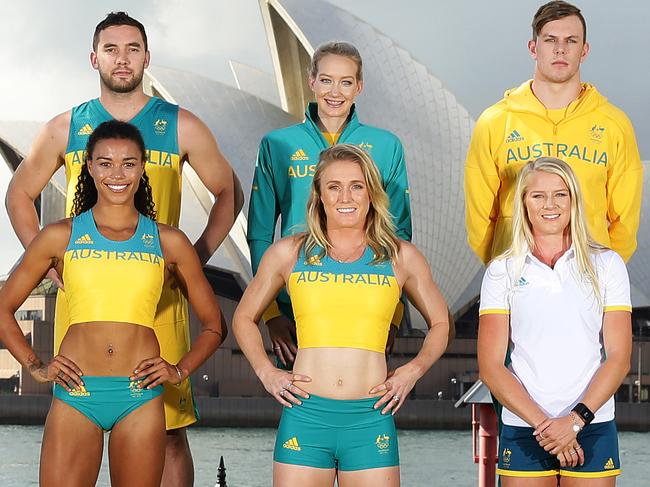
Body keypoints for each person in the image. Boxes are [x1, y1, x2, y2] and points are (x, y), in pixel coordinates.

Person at [5, 12, 242, 485]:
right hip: (87, 298)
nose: (122, 58)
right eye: (111, 49)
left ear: (147, 58)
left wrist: (191, 259)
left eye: (132, 48)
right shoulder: (65, 125)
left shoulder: (180, 124)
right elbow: (18, 195)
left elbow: (228, 191)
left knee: (170, 434)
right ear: (94, 58)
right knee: (75, 416)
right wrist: (50, 262)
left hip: (160, 297)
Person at [0, 121, 224, 487]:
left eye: (128, 163)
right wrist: (36, 366)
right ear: (89, 166)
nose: (117, 174)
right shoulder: (59, 236)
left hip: (140, 396)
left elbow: (215, 325)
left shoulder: (169, 242)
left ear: (142, 166)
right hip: (77, 393)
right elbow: (3, 308)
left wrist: (179, 371)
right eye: (105, 163)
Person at [235, 144, 449, 486]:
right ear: (319, 195)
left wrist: (412, 372)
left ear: (371, 193)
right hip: (305, 416)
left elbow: (440, 324)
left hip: (371, 418)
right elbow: (244, 318)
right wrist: (266, 372)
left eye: (357, 186)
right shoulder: (288, 254)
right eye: (334, 187)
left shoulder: (400, 257)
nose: (345, 196)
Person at [247, 41, 412, 368]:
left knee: (364, 398)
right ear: (311, 82)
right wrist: (270, 313)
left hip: (368, 297)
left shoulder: (386, 145)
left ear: (359, 87)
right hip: (296, 301)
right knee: (301, 399)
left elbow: (400, 232)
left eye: (346, 82)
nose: (335, 91)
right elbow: (260, 232)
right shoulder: (277, 144)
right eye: (326, 80)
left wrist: (393, 314)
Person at [478, 157, 632, 485]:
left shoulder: (607, 264)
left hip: (592, 425)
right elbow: (491, 366)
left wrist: (574, 422)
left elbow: (619, 359)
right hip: (525, 426)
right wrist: (547, 427)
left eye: (560, 194)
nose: (550, 205)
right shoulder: (501, 270)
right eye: (538, 196)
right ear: (524, 203)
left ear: (574, 200)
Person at [464, 0, 642, 265]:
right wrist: (502, 268)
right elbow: (479, 217)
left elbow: (625, 221)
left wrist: (605, 271)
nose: (560, 49)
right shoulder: (495, 122)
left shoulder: (613, 123)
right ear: (533, 48)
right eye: (550, 40)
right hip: (517, 278)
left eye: (571, 41)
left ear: (584, 50)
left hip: (588, 277)